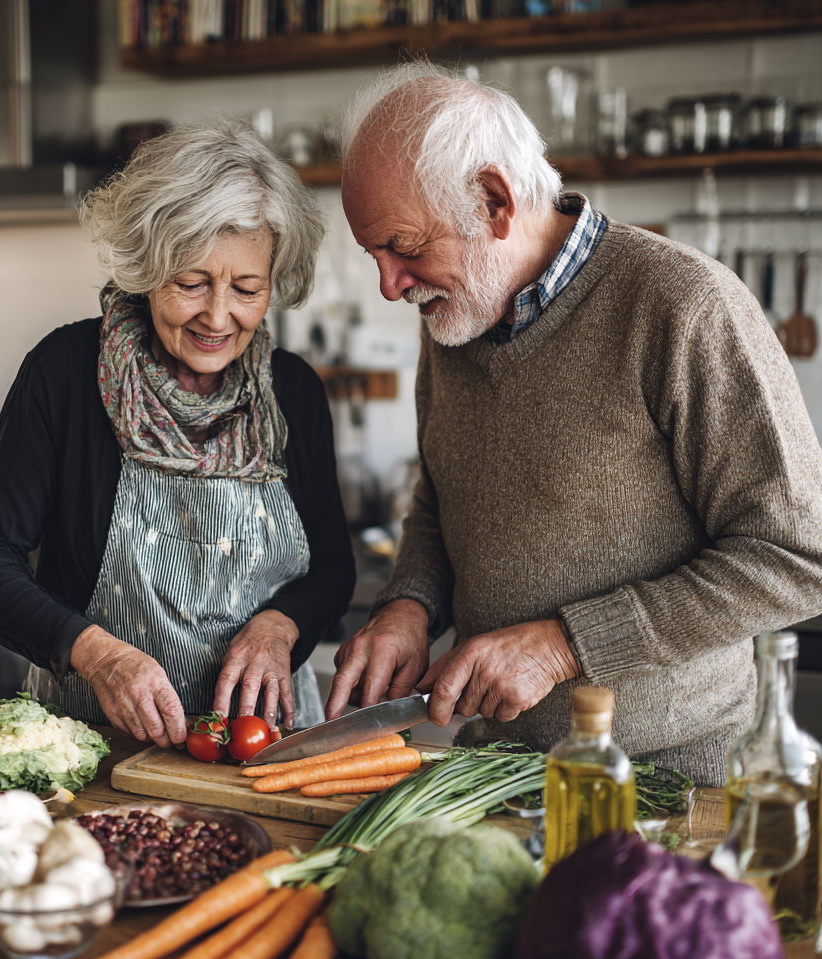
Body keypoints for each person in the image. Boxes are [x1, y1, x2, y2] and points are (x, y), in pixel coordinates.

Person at [329, 61, 822, 786]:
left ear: (494, 201)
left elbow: (798, 556)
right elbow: (441, 505)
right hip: (493, 773)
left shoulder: (682, 305)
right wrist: (409, 603)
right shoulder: (454, 320)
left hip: (670, 781)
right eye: (373, 255)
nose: (389, 284)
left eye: (402, 246)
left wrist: (565, 646)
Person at [0, 118, 355, 747]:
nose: (218, 316)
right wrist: (97, 654)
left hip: (262, 746)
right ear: (146, 267)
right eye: (191, 283)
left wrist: (281, 625)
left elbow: (331, 565)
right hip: (90, 744)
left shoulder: (292, 391)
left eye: (247, 288)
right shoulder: (66, 374)